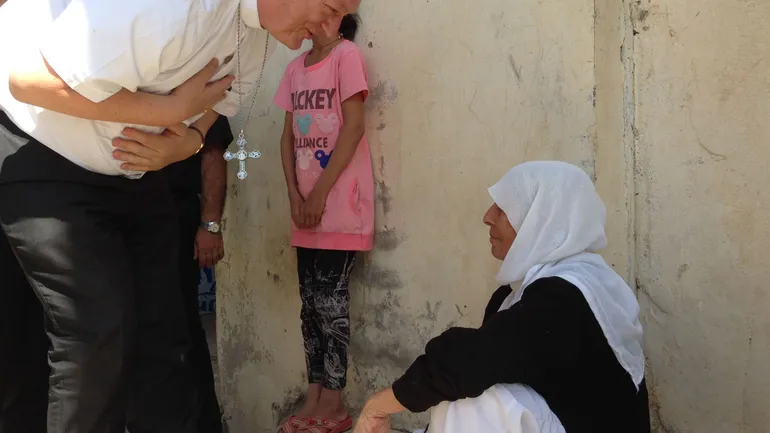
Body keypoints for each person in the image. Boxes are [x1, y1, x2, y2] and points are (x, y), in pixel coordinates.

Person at [0, 0, 359, 432]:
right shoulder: (174, 9)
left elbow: (218, 103)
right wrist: (168, 113)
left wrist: (190, 139)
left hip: (136, 172)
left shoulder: (260, 36)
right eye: (331, 6)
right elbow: (27, 81)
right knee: (95, 333)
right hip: (45, 155)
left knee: (166, 339)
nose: (332, 25)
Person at [353, 161, 651, 433]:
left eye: (504, 208)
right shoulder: (535, 290)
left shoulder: (564, 299)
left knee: (480, 400)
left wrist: (379, 405)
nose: (487, 217)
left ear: (541, 221)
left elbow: (466, 365)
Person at [273, 13, 374, 433]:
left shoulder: (346, 57)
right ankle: (314, 392)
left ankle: (334, 400)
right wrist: (295, 194)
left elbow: (353, 128)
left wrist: (318, 194)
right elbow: (287, 137)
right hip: (305, 209)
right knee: (310, 305)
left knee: (331, 305)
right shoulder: (294, 69)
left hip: (339, 206)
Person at [161, 114, 233, 433]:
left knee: (182, 326)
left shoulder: (200, 94)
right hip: (131, 219)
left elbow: (213, 154)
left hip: (176, 216)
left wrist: (210, 224)